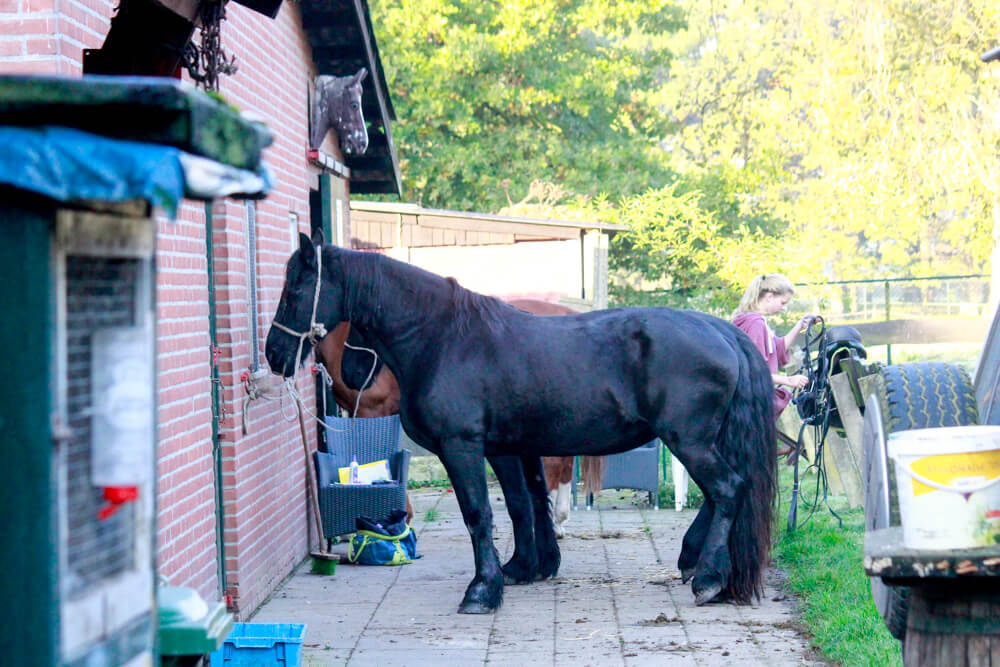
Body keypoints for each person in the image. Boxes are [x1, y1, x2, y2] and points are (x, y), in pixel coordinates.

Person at [732, 273, 816, 432]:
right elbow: (753, 373)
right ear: (769, 297)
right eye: (783, 302)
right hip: (752, 401)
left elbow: (777, 349)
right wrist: (789, 380)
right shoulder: (756, 324)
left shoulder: (756, 321)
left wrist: (800, 325)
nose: (784, 308)